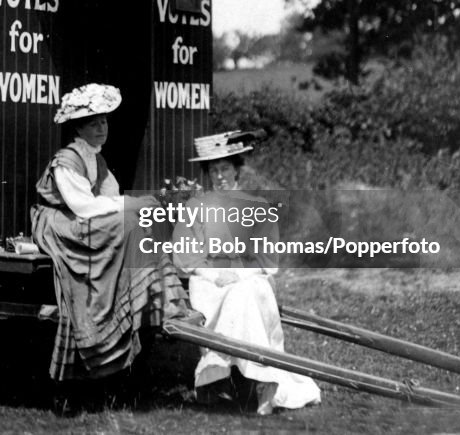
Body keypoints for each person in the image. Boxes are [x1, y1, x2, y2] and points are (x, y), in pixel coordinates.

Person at [31, 83, 188, 381]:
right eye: (94, 123)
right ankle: (117, 305)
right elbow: (85, 208)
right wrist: (129, 205)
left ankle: (158, 295)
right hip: (60, 223)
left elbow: (111, 196)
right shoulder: (68, 160)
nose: (102, 127)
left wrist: (134, 204)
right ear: (79, 128)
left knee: (139, 215)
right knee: (127, 220)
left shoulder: (95, 157)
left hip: (83, 216)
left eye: (104, 121)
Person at [172, 131, 321, 414]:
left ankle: (263, 381)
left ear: (237, 170)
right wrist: (215, 276)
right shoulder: (195, 207)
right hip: (209, 284)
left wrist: (237, 275)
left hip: (248, 278)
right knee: (237, 297)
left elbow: (268, 261)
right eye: (213, 170)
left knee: (247, 293)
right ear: (207, 173)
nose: (220, 176)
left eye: (225, 168)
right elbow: (185, 256)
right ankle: (241, 378)